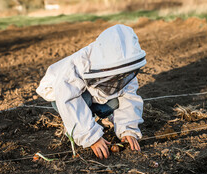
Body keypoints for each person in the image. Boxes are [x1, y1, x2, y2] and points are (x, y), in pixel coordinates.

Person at [36, 24, 146, 159]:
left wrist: (128, 128)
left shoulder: (126, 71)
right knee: (81, 101)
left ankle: (107, 119)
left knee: (115, 102)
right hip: (61, 94)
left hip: (95, 97)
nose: (120, 79)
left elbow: (129, 97)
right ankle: (73, 125)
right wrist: (91, 137)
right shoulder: (76, 66)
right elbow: (68, 99)